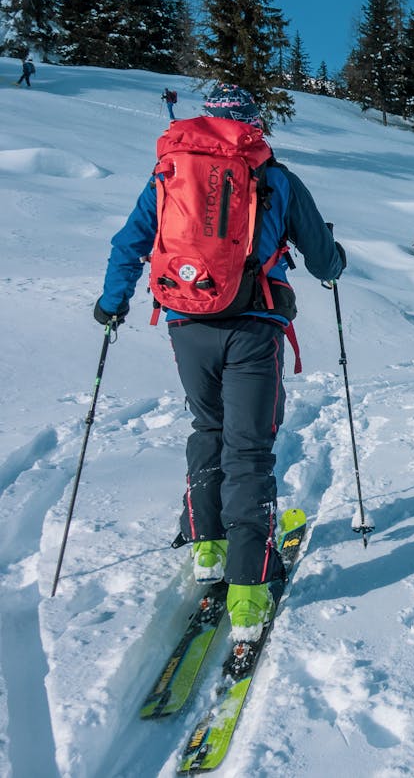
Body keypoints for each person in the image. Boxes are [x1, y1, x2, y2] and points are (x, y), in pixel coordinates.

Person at [93, 83, 345, 645]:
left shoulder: (170, 171)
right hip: (254, 326)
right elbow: (324, 260)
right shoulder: (274, 176)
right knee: (249, 447)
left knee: (208, 428)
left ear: (205, 119)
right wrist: (333, 259)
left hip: (186, 322)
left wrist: (113, 303)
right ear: (253, 124)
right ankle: (250, 593)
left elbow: (128, 243)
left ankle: (208, 548)